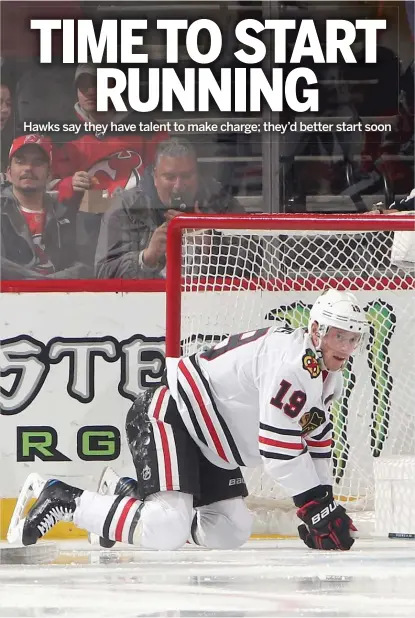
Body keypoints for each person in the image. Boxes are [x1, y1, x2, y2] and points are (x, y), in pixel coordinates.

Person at [18, 289, 369, 551]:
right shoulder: (294, 364)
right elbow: (278, 449)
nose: (345, 345)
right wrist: (316, 508)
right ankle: (62, 498)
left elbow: (316, 440)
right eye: (339, 334)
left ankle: (130, 496)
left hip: (210, 440)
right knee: (167, 528)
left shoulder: (323, 377)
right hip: (173, 414)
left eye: (353, 338)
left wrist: (324, 502)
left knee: (230, 531)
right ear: (317, 330)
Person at [95, 137, 251, 279]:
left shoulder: (221, 203)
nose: (178, 186)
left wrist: (211, 245)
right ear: (155, 177)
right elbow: (103, 274)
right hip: (144, 305)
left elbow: (253, 263)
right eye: (170, 177)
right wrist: (146, 258)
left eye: (186, 176)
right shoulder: (126, 208)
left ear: (197, 174)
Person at [49, 64, 168, 201]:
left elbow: (168, 176)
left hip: (136, 212)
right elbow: (44, 187)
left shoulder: (147, 128)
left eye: (100, 83)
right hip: (82, 215)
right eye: (84, 86)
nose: (91, 91)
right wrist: (69, 184)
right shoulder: (63, 133)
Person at [1, 134, 89, 279]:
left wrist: (48, 286)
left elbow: (85, 265)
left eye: (37, 162)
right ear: (9, 172)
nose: (28, 168)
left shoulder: (68, 212)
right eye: (20, 162)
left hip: (63, 298)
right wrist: (40, 284)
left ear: (49, 174)